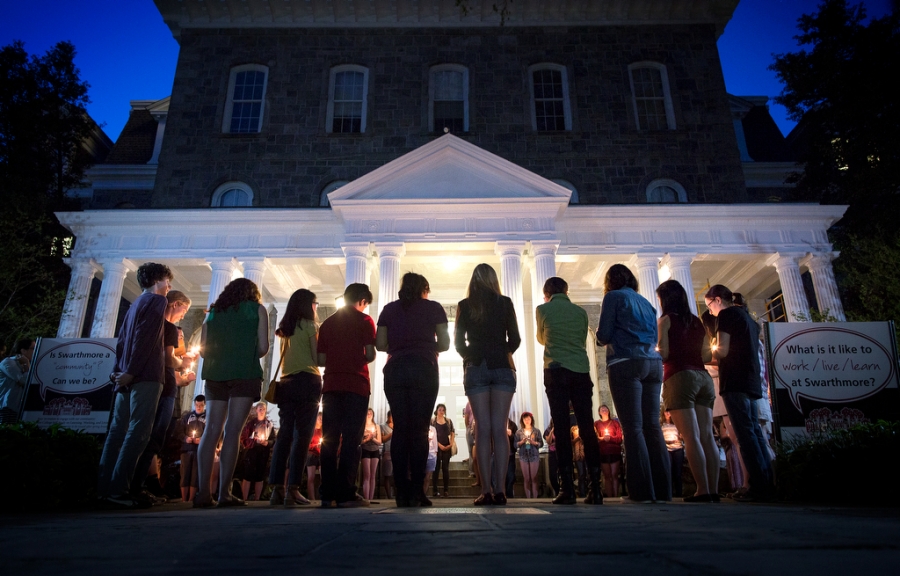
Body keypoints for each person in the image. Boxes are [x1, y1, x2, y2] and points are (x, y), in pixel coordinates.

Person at [97, 262, 172, 509]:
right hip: (145, 375)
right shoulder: (157, 301)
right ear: (157, 280)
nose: (169, 286)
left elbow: (122, 341)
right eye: (167, 281)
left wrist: (118, 371)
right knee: (138, 433)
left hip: (124, 377)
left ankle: (104, 488)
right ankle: (119, 490)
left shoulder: (134, 305)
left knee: (117, 432)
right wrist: (131, 371)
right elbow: (146, 339)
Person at [596, 263, 670, 503]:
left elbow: (604, 335)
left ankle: (641, 492)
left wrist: (600, 337)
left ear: (610, 281)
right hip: (653, 363)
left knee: (633, 428)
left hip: (626, 362)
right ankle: (663, 490)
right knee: (652, 426)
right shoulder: (646, 303)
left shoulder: (613, 297)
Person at [375, 272, 449, 507]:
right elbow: (446, 344)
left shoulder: (388, 309)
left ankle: (401, 491)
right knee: (418, 430)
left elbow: (380, 344)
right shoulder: (434, 308)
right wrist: (425, 345)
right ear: (424, 289)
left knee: (400, 429)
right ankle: (418, 490)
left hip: (395, 369)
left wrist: (401, 345)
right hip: (424, 369)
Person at [195, 277, 270, 508]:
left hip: (215, 374)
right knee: (233, 432)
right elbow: (263, 348)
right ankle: (224, 494)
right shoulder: (257, 310)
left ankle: (202, 493)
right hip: (244, 374)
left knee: (211, 431)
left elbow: (204, 352)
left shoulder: (214, 312)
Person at [455, 263, 521, 506]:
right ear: (493, 280)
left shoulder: (464, 305)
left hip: (476, 366)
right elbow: (515, 338)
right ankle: (501, 490)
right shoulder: (505, 303)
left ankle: (485, 490)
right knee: (500, 429)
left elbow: (458, 342)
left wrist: (470, 357)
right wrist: (502, 352)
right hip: (502, 366)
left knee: (482, 429)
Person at [536, 276, 603, 505]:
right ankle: (596, 488)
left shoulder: (543, 309)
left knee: (562, 428)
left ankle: (567, 489)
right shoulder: (580, 312)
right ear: (566, 291)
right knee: (587, 427)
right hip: (580, 371)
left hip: (556, 371)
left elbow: (542, 339)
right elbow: (582, 339)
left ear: (547, 294)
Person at [705, 284, 775, 502]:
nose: (710, 311)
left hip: (734, 380)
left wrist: (699, 358)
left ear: (717, 300)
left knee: (745, 436)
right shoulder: (748, 319)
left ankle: (757, 488)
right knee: (754, 433)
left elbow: (723, 351)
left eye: (709, 305)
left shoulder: (726, 315)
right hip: (751, 381)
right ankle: (767, 484)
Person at [656, 279, 719, 503]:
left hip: (679, 376)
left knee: (690, 437)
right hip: (703, 377)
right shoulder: (696, 321)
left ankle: (702, 489)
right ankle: (713, 489)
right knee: (707, 436)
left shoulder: (665, 320)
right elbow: (705, 356)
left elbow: (663, 354)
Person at [131, 290, 197, 503]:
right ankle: (138, 486)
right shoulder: (168, 328)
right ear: (175, 304)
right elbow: (168, 360)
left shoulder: (153, 327)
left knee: (150, 438)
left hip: (159, 385)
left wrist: (182, 376)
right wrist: (184, 363)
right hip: (164, 389)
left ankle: (139, 484)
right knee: (154, 438)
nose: (183, 316)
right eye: (183, 310)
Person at [317, 283, 376, 508]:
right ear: (361, 300)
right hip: (356, 385)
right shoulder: (364, 321)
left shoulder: (328, 323)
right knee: (352, 440)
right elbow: (370, 354)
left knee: (329, 440)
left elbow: (320, 360)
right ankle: (345, 493)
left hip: (331, 385)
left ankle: (327, 494)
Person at [267, 288, 322, 507]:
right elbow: (317, 358)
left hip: (286, 384)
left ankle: (276, 489)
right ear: (309, 304)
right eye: (315, 303)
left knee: (284, 435)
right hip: (307, 381)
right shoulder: (310, 326)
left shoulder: (284, 328)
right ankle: (293, 489)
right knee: (303, 437)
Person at [241, 402, 273, 501]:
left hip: (263, 452)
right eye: (260, 409)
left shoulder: (269, 425)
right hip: (252, 451)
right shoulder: (251, 424)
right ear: (256, 410)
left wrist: (267, 443)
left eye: (263, 409)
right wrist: (254, 441)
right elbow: (244, 438)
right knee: (248, 475)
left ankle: (257, 499)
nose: (262, 411)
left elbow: (273, 439)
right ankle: (244, 498)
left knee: (260, 475)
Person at [0, 338, 35, 424]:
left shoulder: (32, 364)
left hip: (20, 407)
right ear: (23, 350)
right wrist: (27, 365)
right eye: (33, 348)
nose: (36, 350)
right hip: (8, 406)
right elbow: (24, 380)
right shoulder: (8, 362)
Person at [180, 395, 206, 503]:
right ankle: (183, 498)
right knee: (184, 474)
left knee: (195, 475)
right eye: (197, 405)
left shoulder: (207, 417)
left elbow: (210, 432)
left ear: (204, 405)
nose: (198, 407)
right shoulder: (188, 417)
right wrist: (185, 438)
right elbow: (179, 431)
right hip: (186, 449)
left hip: (199, 450)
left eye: (201, 405)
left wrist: (202, 439)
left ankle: (191, 499)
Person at [594, 405, 623, 498]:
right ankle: (609, 497)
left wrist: (610, 438)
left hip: (614, 451)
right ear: (599, 412)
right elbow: (595, 438)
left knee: (614, 475)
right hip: (603, 452)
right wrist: (602, 439)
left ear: (609, 411)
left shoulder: (615, 423)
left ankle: (616, 496)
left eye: (606, 409)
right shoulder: (596, 424)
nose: (604, 410)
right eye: (602, 409)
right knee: (607, 476)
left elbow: (619, 438)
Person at [515, 412, 543, 498]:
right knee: (526, 478)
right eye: (525, 419)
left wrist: (534, 443)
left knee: (534, 478)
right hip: (523, 456)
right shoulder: (519, 432)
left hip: (534, 455)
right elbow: (515, 444)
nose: (527, 421)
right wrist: (522, 442)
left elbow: (541, 443)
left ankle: (535, 498)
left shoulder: (536, 431)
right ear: (522, 421)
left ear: (531, 420)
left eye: (528, 419)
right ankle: (528, 498)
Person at [430, 404, 455, 498]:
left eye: (443, 410)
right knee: (436, 469)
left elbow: (452, 432)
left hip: (447, 446)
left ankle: (446, 490)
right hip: (437, 447)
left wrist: (451, 443)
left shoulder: (448, 421)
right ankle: (435, 490)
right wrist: (439, 445)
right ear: (436, 410)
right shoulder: (432, 421)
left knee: (445, 468)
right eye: (440, 409)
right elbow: (431, 434)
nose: (441, 411)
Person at [360, 408, 382, 500]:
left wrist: (372, 438)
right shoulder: (362, 426)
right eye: (367, 412)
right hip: (365, 450)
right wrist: (367, 439)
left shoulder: (376, 426)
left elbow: (379, 442)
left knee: (373, 475)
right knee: (367, 475)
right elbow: (360, 441)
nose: (369, 414)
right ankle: (366, 498)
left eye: (371, 412)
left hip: (375, 450)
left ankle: (371, 498)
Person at [661, 410, 685, 497]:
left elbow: (682, 436)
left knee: (678, 473)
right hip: (667, 450)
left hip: (678, 449)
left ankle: (679, 493)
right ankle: (669, 493)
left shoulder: (677, 425)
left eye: (669, 411)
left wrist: (680, 438)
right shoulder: (661, 425)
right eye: (666, 412)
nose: (667, 413)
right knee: (669, 471)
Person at [306, 413, 323, 501]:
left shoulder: (324, 431)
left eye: (322, 418)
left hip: (321, 454)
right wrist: (315, 446)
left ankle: (322, 496)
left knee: (323, 476)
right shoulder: (311, 430)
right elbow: (307, 444)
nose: (321, 419)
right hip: (311, 454)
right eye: (319, 417)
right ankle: (311, 498)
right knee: (311, 477)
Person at [543, 420, 559, 495]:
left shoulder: (562, 428)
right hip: (552, 453)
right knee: (552, 475)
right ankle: (557, 490)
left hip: (561, 453)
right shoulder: (548, 430)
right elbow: (549, 442)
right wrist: (552, 431)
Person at [381, 411, 394, 499]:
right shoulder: (383, 426)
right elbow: (382, 439)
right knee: (387, 474)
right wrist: (391, 434)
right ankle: (389, 495)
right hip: (387, 452)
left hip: (397, 452)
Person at [571, 425, 587, 497]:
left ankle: (588, 491)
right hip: (577, 455)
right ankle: (582, 493)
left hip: (586, 454)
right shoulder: (573, 429)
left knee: (588, 474)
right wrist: (577, 438)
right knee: (581, 475)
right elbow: (571, 442)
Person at [463, 401, 475, 477]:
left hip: (481, 429)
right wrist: (468, 427)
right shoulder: (469, 403)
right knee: (471, 451)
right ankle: (472, 472)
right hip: (471, 429)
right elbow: (466, 416)